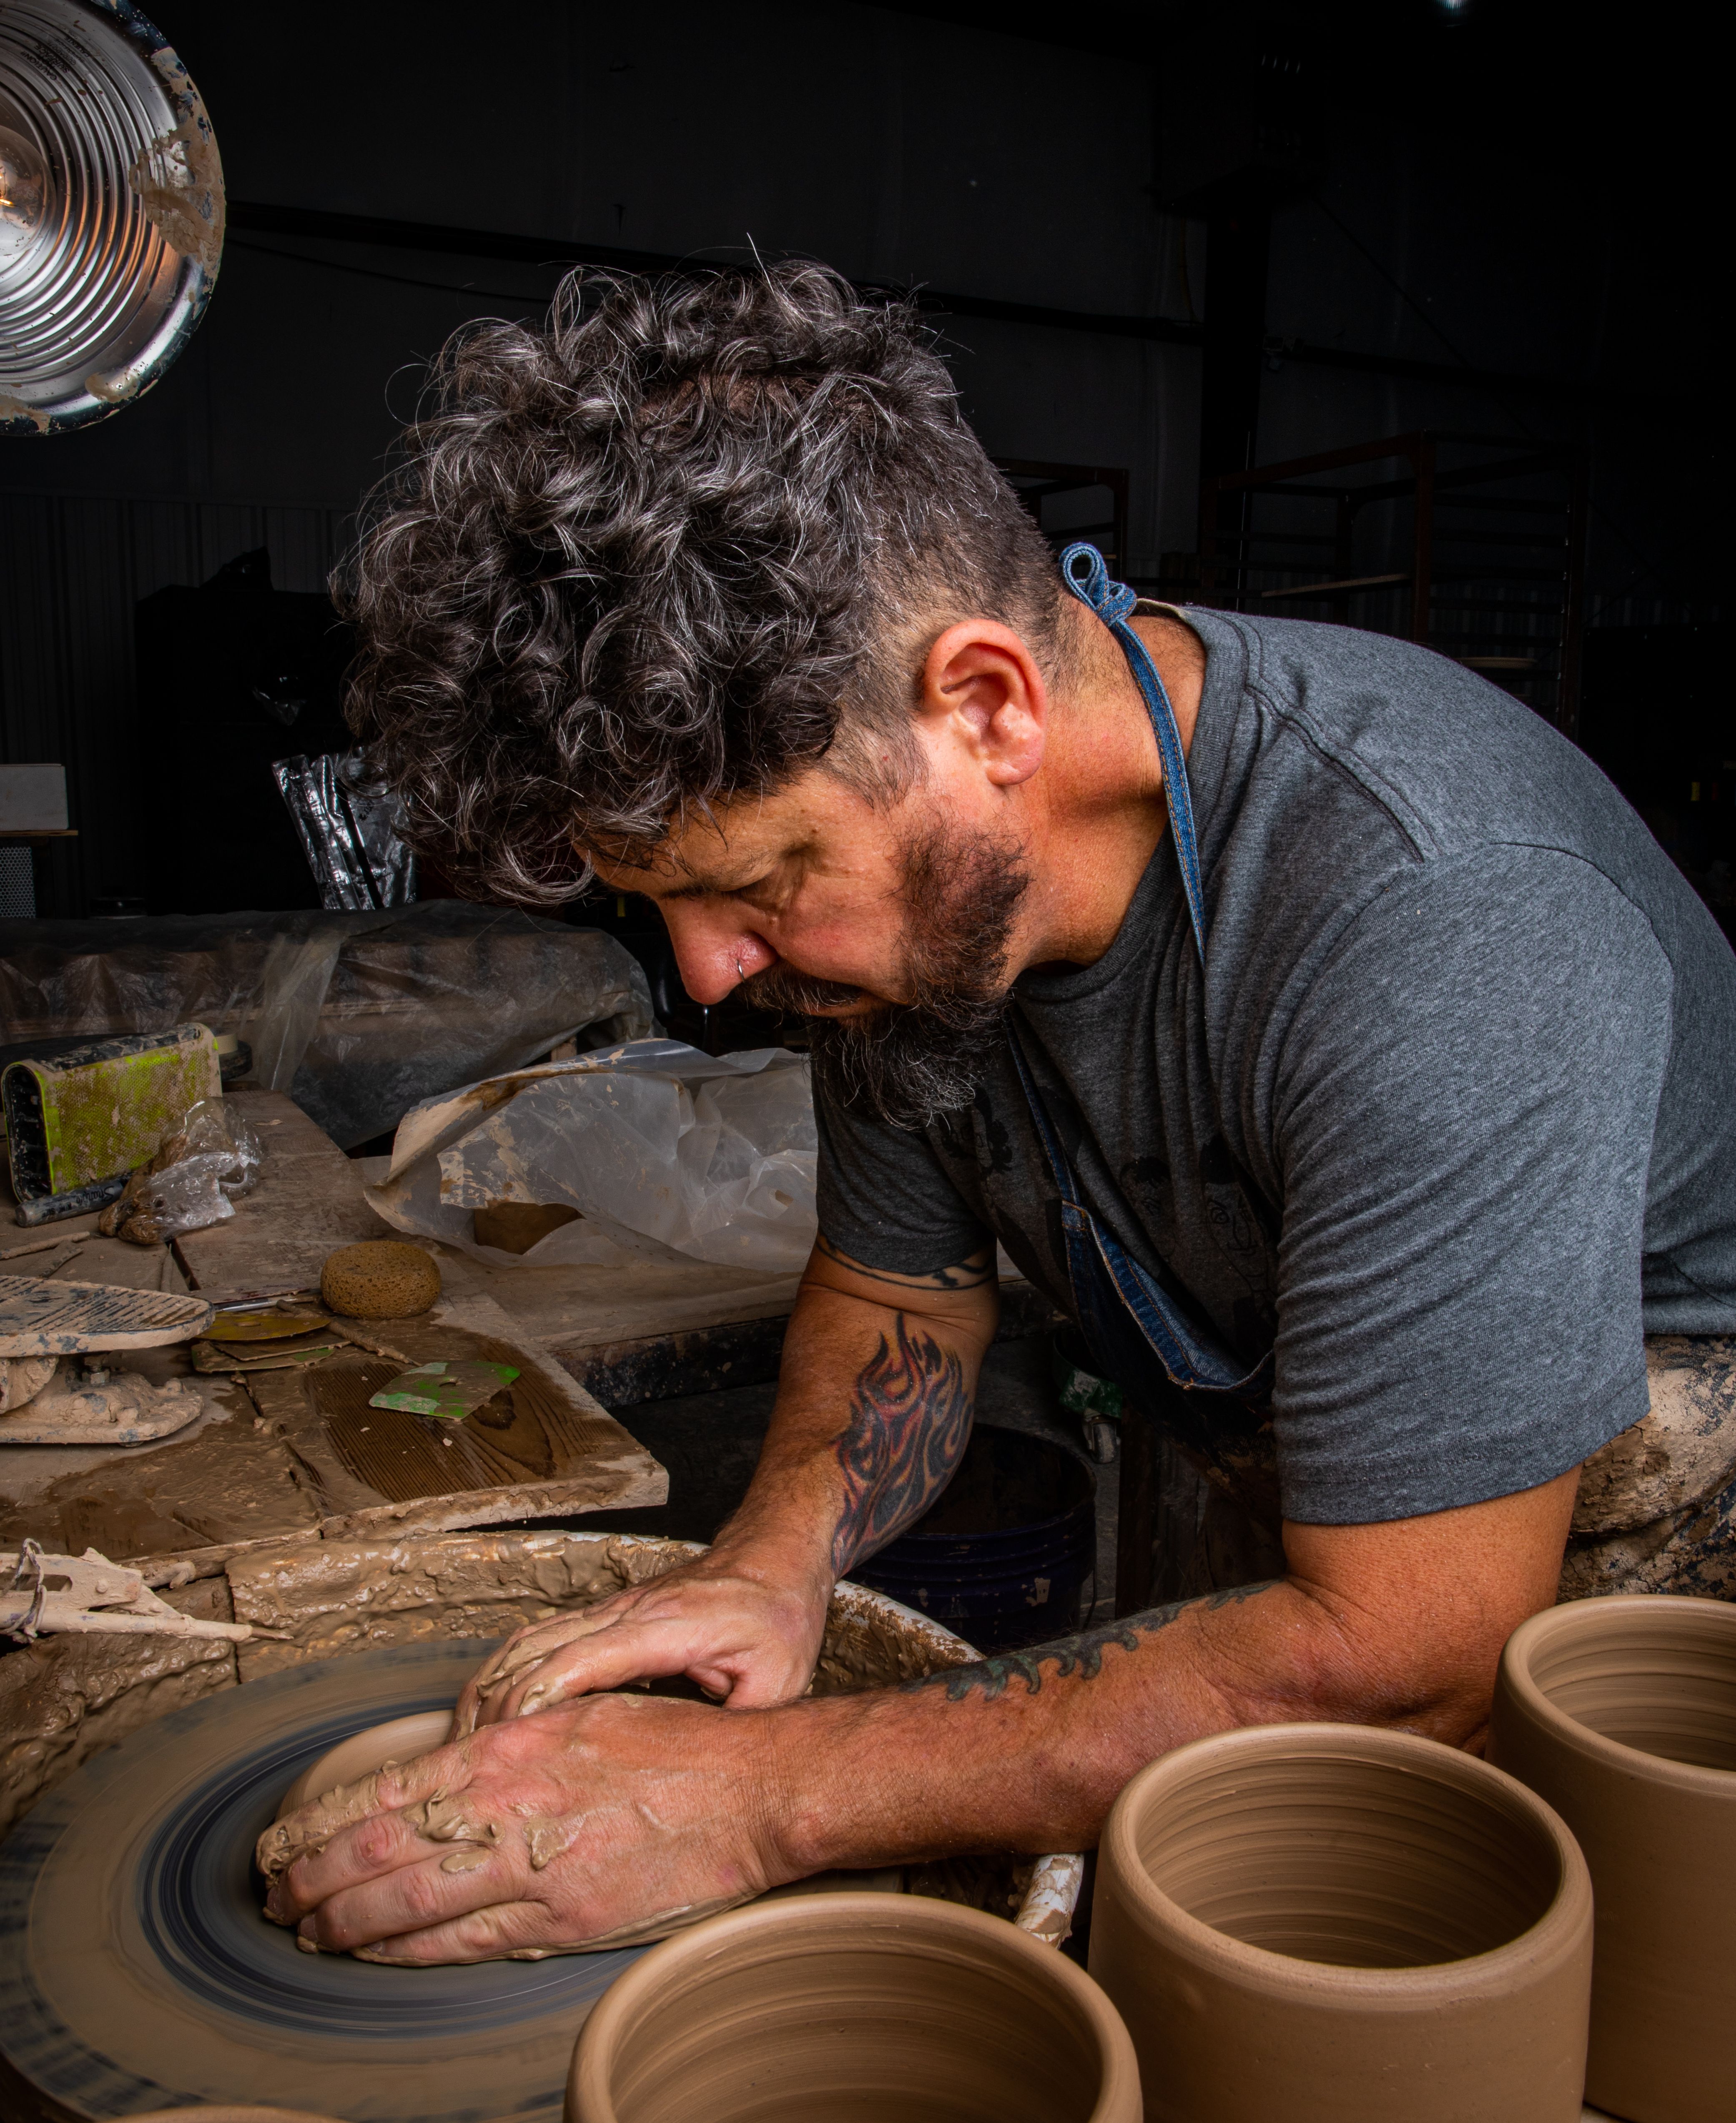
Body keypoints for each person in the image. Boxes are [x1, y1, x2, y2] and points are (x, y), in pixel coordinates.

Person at [262, 262, 1736, 1965]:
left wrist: (747, 1799)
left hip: (1639, 1618)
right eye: (658, 907)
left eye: (755, 883)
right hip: (1344, 1521)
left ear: (984, 707)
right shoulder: (913, 916)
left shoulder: (1440, 914)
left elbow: (1415, 1658)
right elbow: (897, 1294)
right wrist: (770, 1562)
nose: (709, 975)